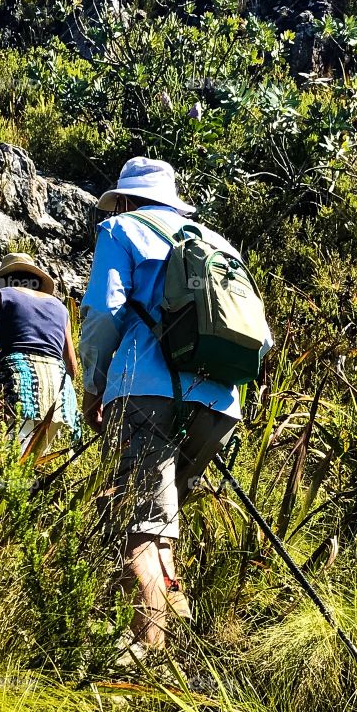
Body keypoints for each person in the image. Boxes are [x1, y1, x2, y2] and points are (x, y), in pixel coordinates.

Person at [79, 157, 273, 662]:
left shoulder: (120, 229)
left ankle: (147, 650)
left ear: (124, 199)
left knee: (142, 521)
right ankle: (166, 629)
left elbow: (103, 310)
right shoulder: (218, 244)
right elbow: (262, 338)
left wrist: (94, 386)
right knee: (161, 519)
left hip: (144, 390)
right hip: (220, 403)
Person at [0, 253, 80, 450]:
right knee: (32, 463)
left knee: (10, 459)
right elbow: (72, 366)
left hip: (18, 379)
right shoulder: (60, 307)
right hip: (58, 390)